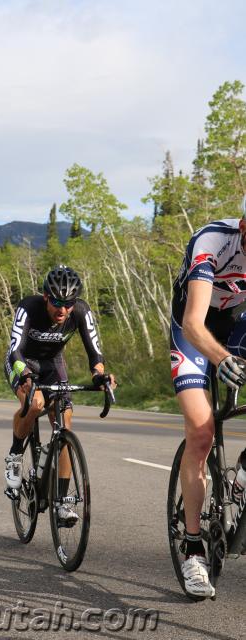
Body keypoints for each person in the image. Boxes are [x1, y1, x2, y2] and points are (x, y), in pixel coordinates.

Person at [170, 196, 246, 598]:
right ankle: (193, 548)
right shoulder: (213, 241)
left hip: (237, 321)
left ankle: (242, 474)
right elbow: (194, 324)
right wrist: (222, 359)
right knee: (201, 434)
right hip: (192, 327)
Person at [4, 265, 112, 526]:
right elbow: (15, 350)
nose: (62, 309)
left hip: (53, 364)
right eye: (56, 302)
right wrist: (25, 375)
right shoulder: (29, 307)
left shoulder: (82, 311)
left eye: (68, 303)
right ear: (45, 297)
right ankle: (15, 455)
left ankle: (63, 502)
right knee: (35, 403)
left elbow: (95, 353)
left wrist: (99, 375)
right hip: (22, 362)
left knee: (64, 420)